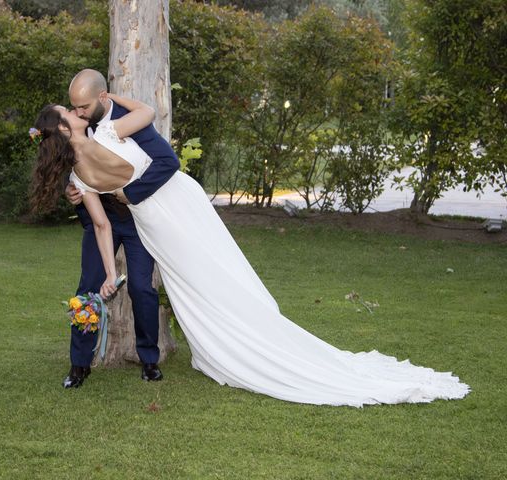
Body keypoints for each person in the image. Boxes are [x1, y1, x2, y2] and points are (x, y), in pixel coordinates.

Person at [30, 94, 470, 407]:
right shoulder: (107, 132)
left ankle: (240, 332)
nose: (76, 109)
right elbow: (144, 117)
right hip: (169, 210)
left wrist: (111, 273)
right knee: (201, 279)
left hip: (160, 214)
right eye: (70, 111)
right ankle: (232, 335)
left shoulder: (81, 173)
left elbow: (106, 220)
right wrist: (115, 96)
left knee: (205, 275)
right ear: (66, 129)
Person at [55, 70, 180, 388]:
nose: (78, 113)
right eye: (74, 108)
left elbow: (167, 162)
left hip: (136, 221)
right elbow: (75, 172)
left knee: (141, 288)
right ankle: (80, 364)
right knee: (87, 289)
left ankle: (149, 359)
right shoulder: (77, 129)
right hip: (99, 222)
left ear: (101, 97)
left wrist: (129, 194)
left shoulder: (128, 121)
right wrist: (73, 194)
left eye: (82, 107)